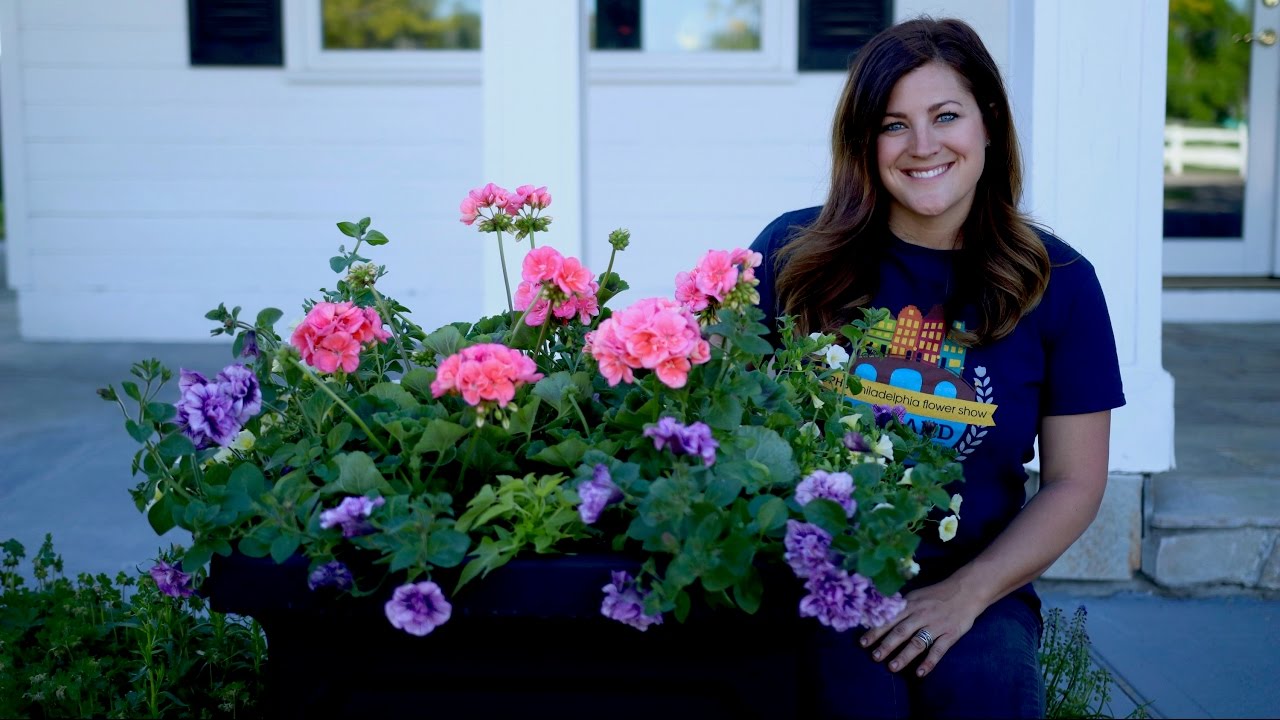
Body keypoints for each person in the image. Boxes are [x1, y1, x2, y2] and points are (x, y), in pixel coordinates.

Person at [749, 17, 1125, 719]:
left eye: (945, 116)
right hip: (817, 577)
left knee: (986, 692)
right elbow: (728, 419)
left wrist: (970, 592)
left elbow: (1075, 482)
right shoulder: (791, 257)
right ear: (865, 142)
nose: (923, 147)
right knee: (853, 697)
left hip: (976, 580)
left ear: (988, 122)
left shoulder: (1060, 282)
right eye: (894, 125)